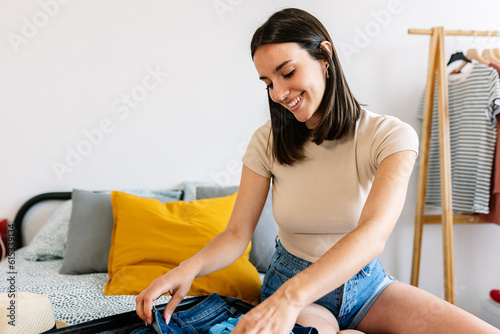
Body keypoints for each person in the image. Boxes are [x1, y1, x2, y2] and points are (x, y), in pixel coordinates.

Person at [136, 8, 500, 333]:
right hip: (288, 279)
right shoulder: (267, 141)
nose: (278, 93)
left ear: (325, 56)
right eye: (268, 83)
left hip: (366, 286)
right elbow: (236, 233)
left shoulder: (390, 135)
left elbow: (374, 233)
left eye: (287, 72)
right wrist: (185, 269)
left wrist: (290, 299)